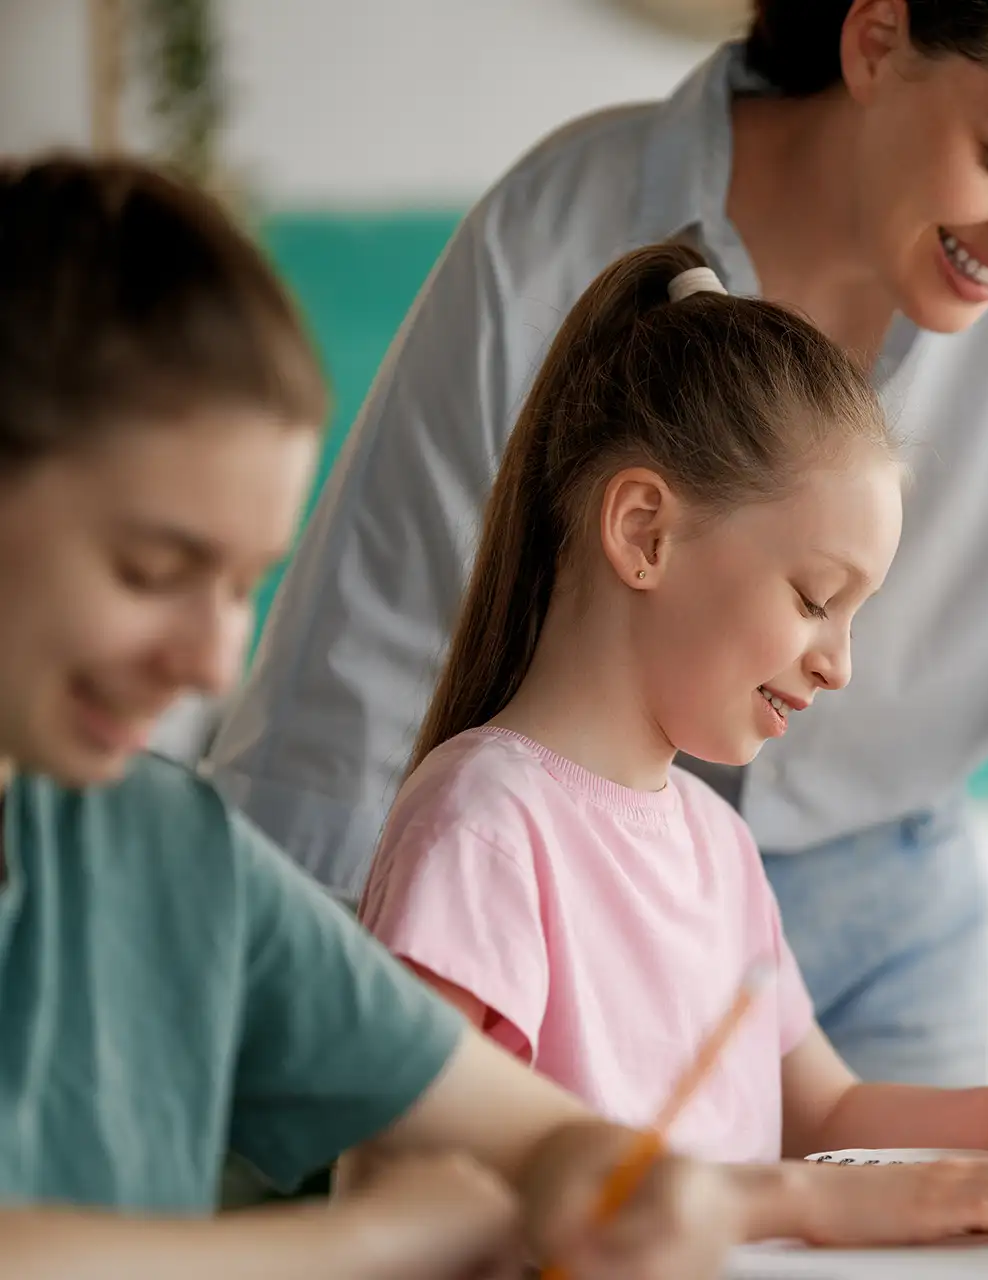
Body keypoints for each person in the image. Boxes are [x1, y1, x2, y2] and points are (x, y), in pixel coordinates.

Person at [204, 0, 988, 1141]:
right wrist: (264, 1069)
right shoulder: (560, 229)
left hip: (886, 900)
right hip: (541, 890)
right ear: (877, 40)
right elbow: (358, 675)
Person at [0, 153, 745, 1280]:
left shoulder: (164, 846)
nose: (211, 660)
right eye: (153, 568)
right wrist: (358, 1241)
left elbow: (537, 1133)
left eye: (247, 584)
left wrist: (600, 1180)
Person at [357, 239, 988, 1246]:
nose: (838, 663)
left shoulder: (713, 845)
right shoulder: (486, 828)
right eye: (816, 599)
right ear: (644, 531)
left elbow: (826, 1117)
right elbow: (395, 1182)